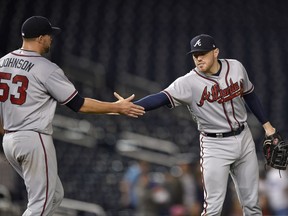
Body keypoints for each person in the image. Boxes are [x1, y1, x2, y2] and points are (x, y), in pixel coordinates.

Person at [115, 34, 277, 215]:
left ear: (216, 52)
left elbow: (250, 95)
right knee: (213, 209)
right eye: (195, 54)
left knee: (253, 205)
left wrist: (268, 127)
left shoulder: (236, 67)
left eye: (203, 53)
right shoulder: (188, 82)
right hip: (215, 145)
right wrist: (130, 106)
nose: (199, 58)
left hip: (244, 137)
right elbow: (160, 98)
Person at [0, 16, 145, 216]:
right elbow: (79, 104)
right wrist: (117, 107)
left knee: (56, 194)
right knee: (40, 204)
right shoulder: (45, 68)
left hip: (9, 140)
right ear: (41, 38)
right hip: (33, 138)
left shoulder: (3, 62)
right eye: (50, 35)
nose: (51, 39)